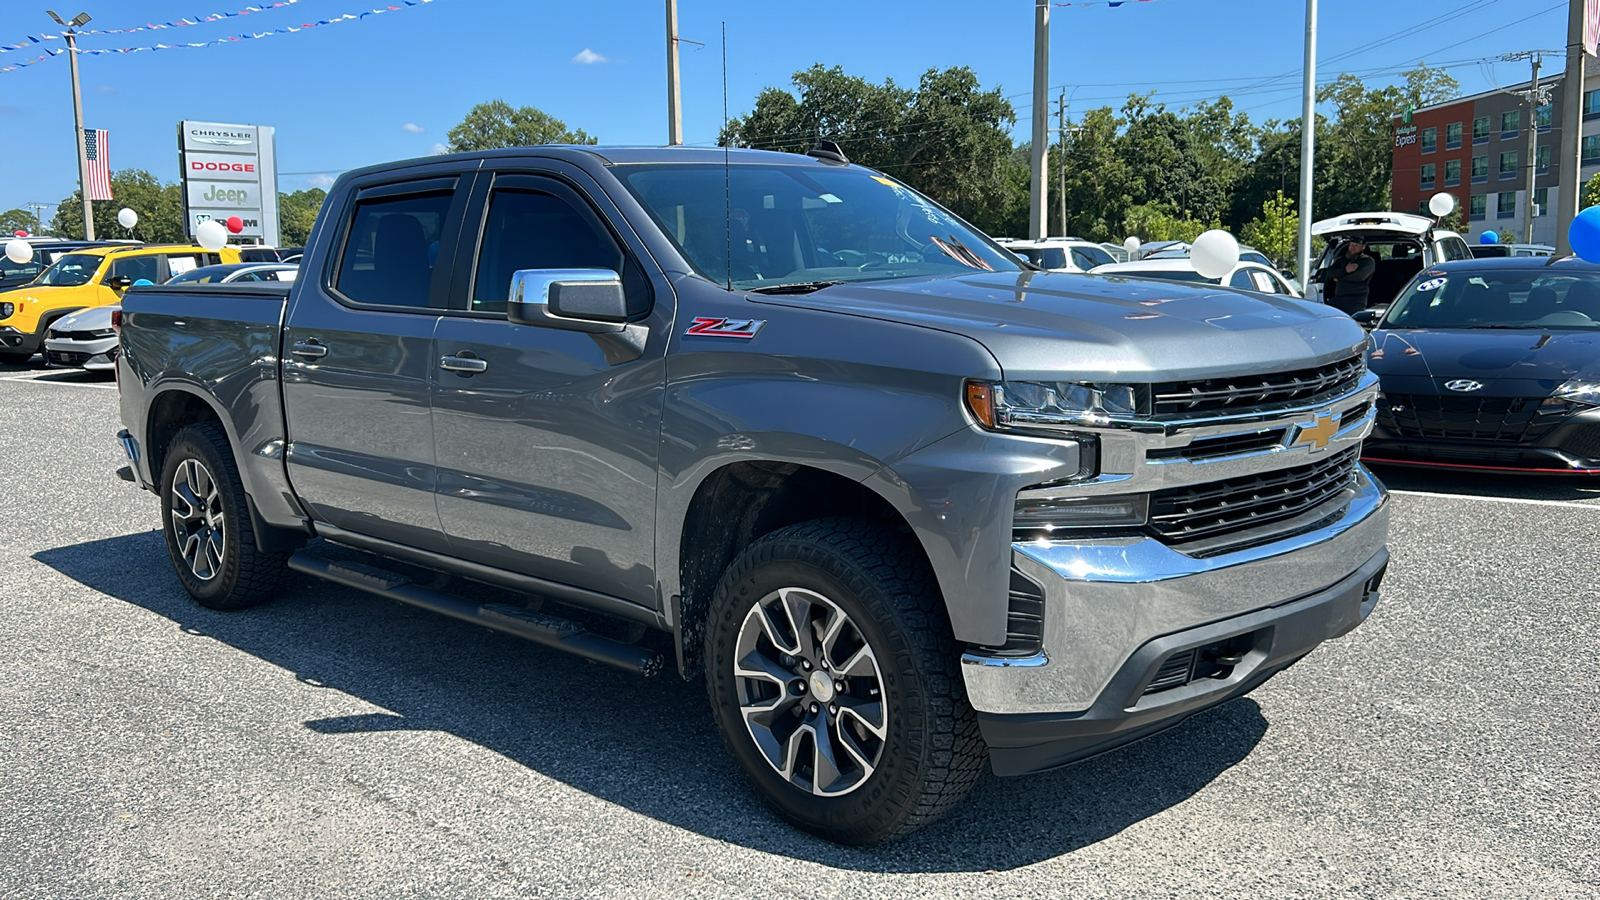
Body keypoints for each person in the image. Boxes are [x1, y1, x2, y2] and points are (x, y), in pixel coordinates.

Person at [1325, 235, 1376, 315]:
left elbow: (1359, 277)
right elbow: (1329, 273)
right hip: (1338, 300)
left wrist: (1340, 278)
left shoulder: (1367, 261)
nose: (1353, 247)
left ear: (1363, 247)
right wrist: (1345, 270)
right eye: (1351, 245)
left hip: (1356, 301)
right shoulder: (1341, 260)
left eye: (1356, 245)